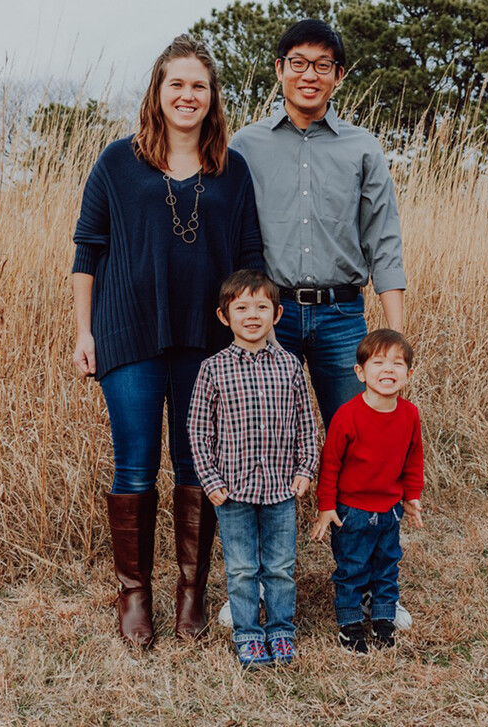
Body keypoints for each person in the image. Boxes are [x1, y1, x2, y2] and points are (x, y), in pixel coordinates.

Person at [71, 35, 265, 648]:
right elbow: (87, 252)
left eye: (199, 86)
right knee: (134, 462)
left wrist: (251, 330)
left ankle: (191, 591)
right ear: (158, 92)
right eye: (176, 84)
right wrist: (84, 331)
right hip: (128, 333)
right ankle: (135, 595)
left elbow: (250, 259)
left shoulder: (232, 170)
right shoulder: (117, 162)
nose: (187, 95)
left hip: (206, 343)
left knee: (194, 463)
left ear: (212, 98)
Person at [229, 18, 406, 430]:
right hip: (270, 313)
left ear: (338, 75)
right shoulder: (245, 145)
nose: (309, 75)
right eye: (298, 63)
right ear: (280, 69)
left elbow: (383, 238)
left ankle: (356, 499)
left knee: (358, 433)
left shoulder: (362, 147)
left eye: (322, 65)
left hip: (342, 315)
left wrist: (394, 337)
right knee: (266, 433)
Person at [187, 269, 319, 667]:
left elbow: (306, 422)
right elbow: (197, 430)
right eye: (241, 307)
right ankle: (248, 634)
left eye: (262, 306)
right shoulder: (213, 369)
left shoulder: (291, 366)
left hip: (281, 488)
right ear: (224, 316)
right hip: (232, 491)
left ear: (277, 315)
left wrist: (306, 468)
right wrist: (210, 479)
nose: (252, 314)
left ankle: (280, 631)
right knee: (243, 570)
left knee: (280, 568)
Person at [310, 329, 424, 652]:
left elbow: (414, 458)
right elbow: (330, 464)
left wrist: (411, 496)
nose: (388, 369)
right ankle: (350, 625)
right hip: (351, 512)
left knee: (387, 566)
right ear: (360, 372)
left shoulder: (409, 415)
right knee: (352, 569)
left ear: (408, 374)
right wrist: (326, 507)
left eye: (397, 364)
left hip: (389, 511)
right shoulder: (347, 416)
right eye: (378, 362)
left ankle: (384, 620)